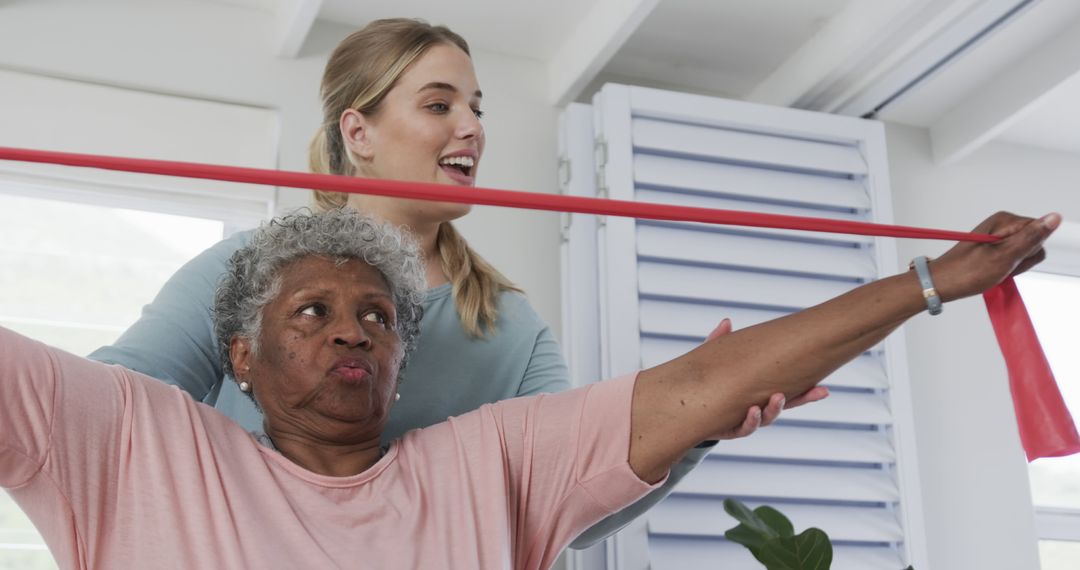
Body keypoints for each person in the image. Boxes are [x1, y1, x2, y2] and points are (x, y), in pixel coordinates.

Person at [86, 18, 823, 547]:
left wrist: (694, 430)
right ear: (359, 132)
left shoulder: (511, 327)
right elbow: (106, 411)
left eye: (476, 108)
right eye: (439, 105)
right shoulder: (245, 270)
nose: (471, 127)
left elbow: (573, 505)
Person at [2, 208, 1058, 569]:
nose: (350, 331)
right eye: (310, 313)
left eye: (376, 315)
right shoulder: (136, 440)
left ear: (404, 358)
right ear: (240, 357)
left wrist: (937, 280)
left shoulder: (487, 461)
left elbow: (702, 383)